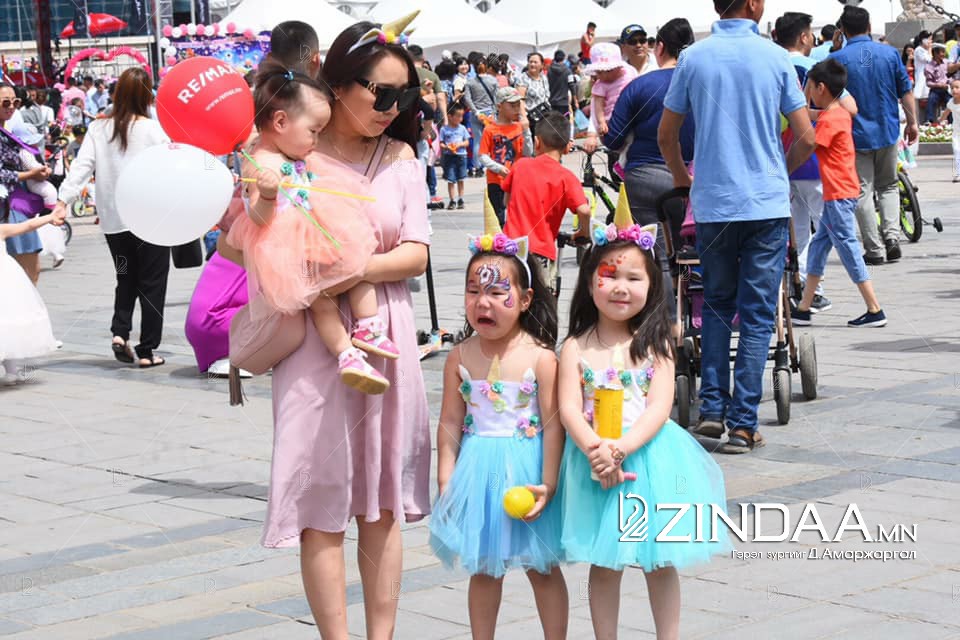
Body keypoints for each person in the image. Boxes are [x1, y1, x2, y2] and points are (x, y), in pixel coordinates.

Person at [247, 16, 432, 638]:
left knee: (382, 503)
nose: (393, 107)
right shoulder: (288, 150)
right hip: (311, 340)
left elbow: (417, 253)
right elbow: (236, 241)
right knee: (320, 502)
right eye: (382, 92)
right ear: (340, 83)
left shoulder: (401, 157)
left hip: (384, 333)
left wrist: (347, 267)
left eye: (404, 95)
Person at [556, 205, 730, 638]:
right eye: (609, 275)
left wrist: (621, 448)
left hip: (649, 461)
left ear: (652, 285)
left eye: (634, 278)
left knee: (660, 559)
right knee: (605, 561)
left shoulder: (656, 345)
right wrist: (597, 450)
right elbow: (569, 408)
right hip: (595, 465)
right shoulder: (575, 346)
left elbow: (658, 407)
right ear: (590, 282)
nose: (621, 287)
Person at [659, 0, 816, 453]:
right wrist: (779, 172)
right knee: (758, 313)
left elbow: (667, 135)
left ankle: (712, 410)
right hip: (765, 204)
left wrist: (684, 180)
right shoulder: (776, 57)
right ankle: (744, 423)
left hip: (714, 204)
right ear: (753, 4)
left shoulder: (692, 58)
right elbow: (807, 137)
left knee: (715, 305)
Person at [430, 201, 568, 640]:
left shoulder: (541, 358)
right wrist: (446, 478)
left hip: (528, 472)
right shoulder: (459, 356)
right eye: (473, 291)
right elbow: (450, 423)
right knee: (485, 569)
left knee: (542, 567)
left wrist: (549, 482)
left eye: (496, 292)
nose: (483, 302)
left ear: (525, 300)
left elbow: (553, 424)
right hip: (478, 473)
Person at [227, 61, 396, 394]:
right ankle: (346, 353)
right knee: (322, 299)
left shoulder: (290, 154)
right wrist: (268, 195)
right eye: (313, 131)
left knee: (357, 264)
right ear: (280, 122)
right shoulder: (260, 163)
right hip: (290, 246)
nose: (317, 141)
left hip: (316, 229)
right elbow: (258, 218)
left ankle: (368, 326)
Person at [52, 68, 171, 368]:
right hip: (151, 221)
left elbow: (81, 167)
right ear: (146, 95)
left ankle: (120, 332)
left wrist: (63, 201)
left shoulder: (98, 129)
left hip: (114, 224)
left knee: (125, 275)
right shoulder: (154, 130)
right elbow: (170, 171)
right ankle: (147, 350)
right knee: (153, 283)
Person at [604, 18, 695, 309]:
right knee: (693, 253)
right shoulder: (702, 84)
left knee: (659, 256)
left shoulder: (639, 86)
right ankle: (694, 312)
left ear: (660, 47)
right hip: (695, 179)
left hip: (646, 177)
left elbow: (614, 139)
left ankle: (667, 322)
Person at [791, 59, 887, 328]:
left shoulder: (830, 120)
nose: (808, 91)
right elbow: (810, 115)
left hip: (838, 194)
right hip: (841, 192)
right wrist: (801, 104)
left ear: (820, 88)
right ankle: (804, 307)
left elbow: (808, 141)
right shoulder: (838, 113)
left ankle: (875, 309)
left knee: (848, 249)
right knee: (818, 248)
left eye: (810, 86)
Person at [831, 5, 918, 265]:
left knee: (862, 191)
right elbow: (905, 91)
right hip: (887, 130)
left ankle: (874, 249)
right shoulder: (889, 54)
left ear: (842, 30)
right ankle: (892, 237)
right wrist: (913, 123)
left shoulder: (838, 60)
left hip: (855, 135)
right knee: (888, 185)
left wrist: (835, 47)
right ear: (869, 27)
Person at [503, 111, 590, 292]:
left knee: (510, 297)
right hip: (541, 252)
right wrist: (584, 232)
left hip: (510, 248)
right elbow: (584, 210)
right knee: (542, 300)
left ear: (537, 142)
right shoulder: (567, 177)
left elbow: (506, 201)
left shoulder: (520, 166)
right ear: (566, 148)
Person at [0, 205, 63, 385]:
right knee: (7, 325)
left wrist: (49, 217)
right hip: (6, 278)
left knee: (7, 325)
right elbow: (27, 226)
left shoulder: (1, 229)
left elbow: (27, 225)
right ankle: (12, 371)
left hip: (5, 280)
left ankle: (12, 371)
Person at [1, 84, 49, 285]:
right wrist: (30, 174)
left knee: (25, 270)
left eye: (16, 102)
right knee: (28, 271)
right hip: (9, 206)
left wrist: (35, 172)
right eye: (5, 102)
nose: (12, 106)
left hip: (15, 202)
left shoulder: (7, 131)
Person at [479, 87, 532, 226]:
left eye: (518, 105)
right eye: (512, 105)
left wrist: (526, 131)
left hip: (517, 178)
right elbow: (483, 156)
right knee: (499, 219)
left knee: (518, 217)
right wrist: (498, 168)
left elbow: (528, 152)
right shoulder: (490, 129)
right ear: (499, 106)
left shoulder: (519, 127)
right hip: (496, 180)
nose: (516, 109)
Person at [585, 42, 637, 138]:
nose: (605, 76)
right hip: (612, 119)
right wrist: (601, 122)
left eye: (609, 70)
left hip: (632, 114)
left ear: (619, 67)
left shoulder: (629, 73)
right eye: (599, 72)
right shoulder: (600, 85)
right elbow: (598, 106)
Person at [440, 103, 470, 210]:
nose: (460, 119)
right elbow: (441, 143)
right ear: (450, 116)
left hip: (461, 156)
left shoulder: (462, 128)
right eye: (458, 116)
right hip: (449, 156)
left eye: (462, 116)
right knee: (451, 179)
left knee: (461, 178)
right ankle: (452, 200)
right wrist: (447, 147)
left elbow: (467, 142)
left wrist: (460, 145)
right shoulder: (444, 129)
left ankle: (461, 199)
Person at [939, 78, 960, 181]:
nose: (954, 90)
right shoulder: (951, 102)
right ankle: (958, 173)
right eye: (952, 88)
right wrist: (940, 121)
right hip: (956, 132)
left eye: (957, 87)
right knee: (957, 150)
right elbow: (946, 112)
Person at [546, 50, 577, 115]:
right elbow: (572, 86)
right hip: (564, 103)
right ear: (563, 58)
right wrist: (575, 100)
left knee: (553, 120)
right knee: (564, 120)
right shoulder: (568, 71)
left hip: (552, 102)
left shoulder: (549, 71)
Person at [924, 43, 949, 123]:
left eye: (944, 52)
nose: (943, 54)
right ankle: (929, 121)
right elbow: (928, 82)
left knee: (951, 101)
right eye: (942, 52)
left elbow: (952, 76)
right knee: (931, 100)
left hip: (948, 89)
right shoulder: (929, 66)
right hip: (936, 90)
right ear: (935, 53)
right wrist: (938, 85)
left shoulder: (947, 63)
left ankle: (952, 121)